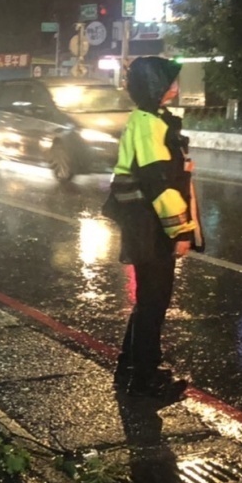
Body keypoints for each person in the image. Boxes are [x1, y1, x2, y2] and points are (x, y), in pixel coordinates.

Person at [102, 57, 201, 401]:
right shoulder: (148, 124)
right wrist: (182, 231)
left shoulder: (149, 120)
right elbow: (160, 184)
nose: (175, 87)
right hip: (151, 225)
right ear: (153, 86)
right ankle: (143, 381)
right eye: (168, 82)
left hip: (145, 222)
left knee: (148, 301)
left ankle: (132, 368)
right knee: (154, 303)